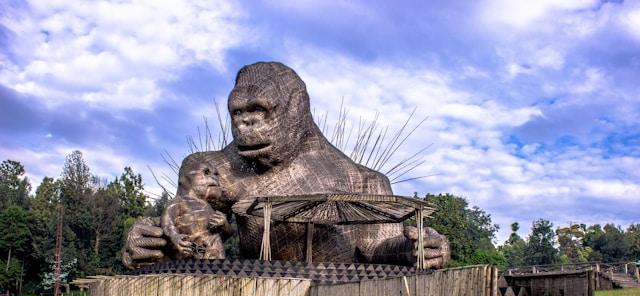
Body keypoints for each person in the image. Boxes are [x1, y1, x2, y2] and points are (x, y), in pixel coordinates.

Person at [123, 62, 450, 269]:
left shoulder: (364, 182)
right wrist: (153, 241)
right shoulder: (218, 168)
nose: (245, 125)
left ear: (296, 108)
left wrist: (418, 248)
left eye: (260, 111)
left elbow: (380, 249)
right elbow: (182, 220)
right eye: (238, 113)